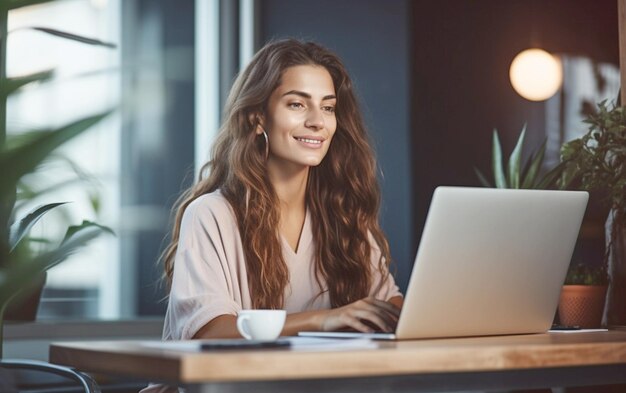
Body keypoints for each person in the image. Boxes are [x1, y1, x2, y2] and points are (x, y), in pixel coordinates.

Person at [162, 38, 403, 342]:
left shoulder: (341, 216)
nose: (317, 121)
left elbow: (390, 306)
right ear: (258, 117)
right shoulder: (211, 214)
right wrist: (324, 320)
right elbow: (209, 331)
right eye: (297, 104)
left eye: (327, 107)